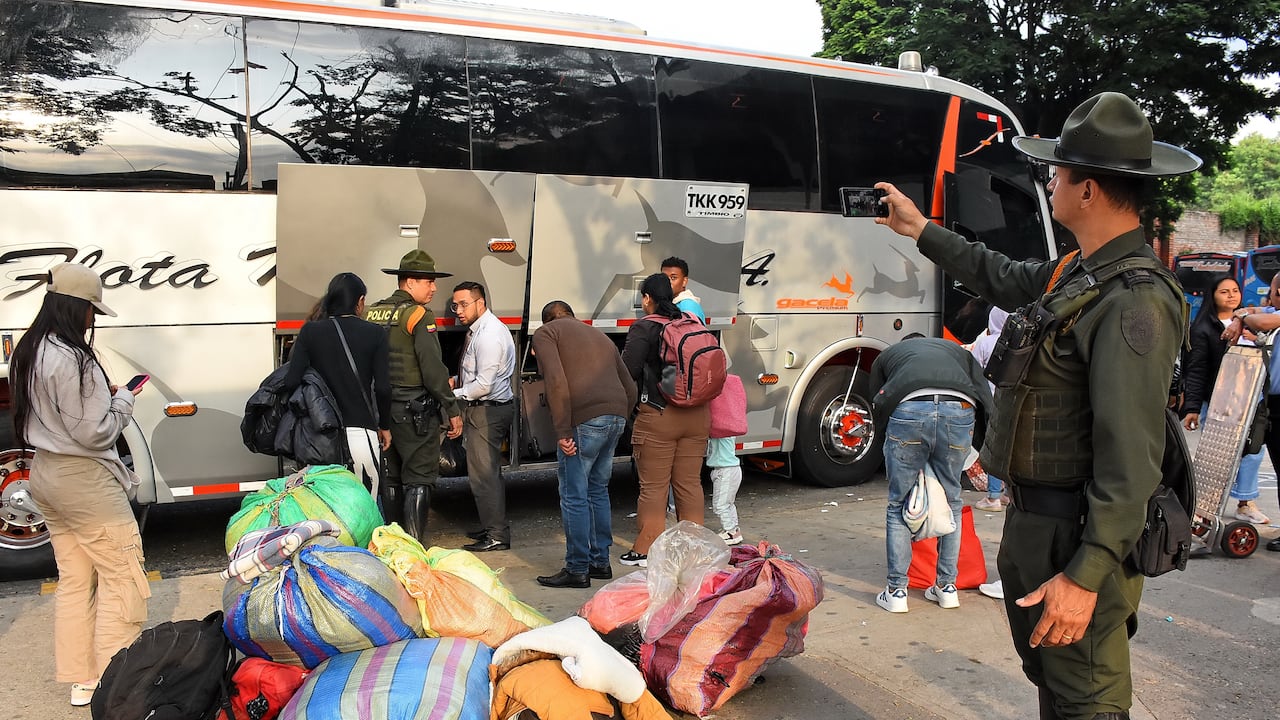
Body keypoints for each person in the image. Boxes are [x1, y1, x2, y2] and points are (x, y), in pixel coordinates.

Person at [877, 92, 1199, 720]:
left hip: (1078, 535)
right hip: (1040, 525)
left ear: (1089, 191)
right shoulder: (1079, 273)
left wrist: (1088, 573)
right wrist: (921, 230)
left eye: (1059, 171)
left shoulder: (1133, 299)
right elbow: (1000, 273)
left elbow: (1132, 456)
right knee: (1056, 684)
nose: (1048, 180)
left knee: (1088, 698)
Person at [9, 263, 150, 706]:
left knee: (75, 579)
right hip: (84, 479)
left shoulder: (29, 349)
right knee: (122, 576)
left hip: (46, 473)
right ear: (75, 306)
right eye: (91, 308)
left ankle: (82, 679)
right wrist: (123, 398)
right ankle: (115, 679)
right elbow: (96, 433)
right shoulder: (74, 357)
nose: (93, 318)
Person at [868, 336, 993, 613]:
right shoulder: (955, 351)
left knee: (898, 504)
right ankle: (947, 588)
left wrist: (886, 444)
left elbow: (877, 397)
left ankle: (897, 591)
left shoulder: (889, 354)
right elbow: (983, 390)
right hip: (960, 409)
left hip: (909, 408)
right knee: (953, 502)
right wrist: (982, 443)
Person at [530, 301, 637, 587]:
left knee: (574, 495)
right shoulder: (599, 335)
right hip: (614, 418)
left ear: (547, 321)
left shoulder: (547, 333)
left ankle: (577, 568)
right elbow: (631, 387)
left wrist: (563, 430)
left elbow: (555, 381)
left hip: (583, 422)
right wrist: (619, 418)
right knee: (597, 491)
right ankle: (600, 562)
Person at [364, 249, 463, 546]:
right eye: (428, 282)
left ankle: (392, 544)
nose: (433, 288)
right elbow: (433, 368)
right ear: (408, 282)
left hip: (381, 409)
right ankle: (414, 548)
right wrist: (452, 408)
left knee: (391, 477)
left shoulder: (372, 311)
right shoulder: (419, 315)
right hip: (415, 412)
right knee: (419, 477)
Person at [618, 273, 711, 567]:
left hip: (660, 415)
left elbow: (627, 371)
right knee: (689, 484)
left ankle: (647, 550)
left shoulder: (644, 327)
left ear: (647, 299)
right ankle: (693, 549)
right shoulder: (690, 322)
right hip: (697, 415)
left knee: (654, 487)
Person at [284, 273, 392, 497]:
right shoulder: (375, 333)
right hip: (362, 434)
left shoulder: (310, 332)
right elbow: (383, 387)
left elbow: (291, 381)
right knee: (362, 510)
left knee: (325, 509)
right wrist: (385, 426)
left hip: (320, 437)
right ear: (360, 301)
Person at [1180, 276, 1270, 525]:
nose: (1231, 295)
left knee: (1253, 453)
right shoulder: (1202, 329)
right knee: (1218, 457)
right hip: (1219, 401)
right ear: (1213, 296)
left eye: (1235, 290)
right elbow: (1196, 370)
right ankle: (1204, 509)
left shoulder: (1253, 323)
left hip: (1252, 398)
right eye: (1224, 292)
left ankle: (1245, 503)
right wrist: (1193, 408)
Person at [450, 281, 517, 552]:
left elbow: (483, 385)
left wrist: (453, 395)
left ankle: (497, 535)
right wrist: (455, 381)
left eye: (464, 304)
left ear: (481, 302)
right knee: (486, 473)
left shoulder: (489, 335)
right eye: (456, 305)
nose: (458, 310)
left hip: (488, 409)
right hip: (484, 408)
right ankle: (492, 526)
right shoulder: (479, 331)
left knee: (484, 475)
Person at [1224, 269, 1280, 551]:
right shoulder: (1272, 309)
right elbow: (1249, 309)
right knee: (1263, 457)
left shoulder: (1275, 315)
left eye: (1272, 292)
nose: (1269, 296)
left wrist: (1241, 318)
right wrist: (1238, 317)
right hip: (1270, 403)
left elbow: (1259, 318)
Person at [968, 306, 1011, 513]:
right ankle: (1008, 494)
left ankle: (993, 496)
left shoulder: (985, 342)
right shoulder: (1019, 340)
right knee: (1012, 448)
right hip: (1016, 401)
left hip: (992, 402)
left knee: (994, 448)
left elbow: (973, 370)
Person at [661, 256, 705, 322]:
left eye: (673, 278)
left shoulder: (688, 305)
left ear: (684, 281)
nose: (667, 282)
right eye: (664, 277)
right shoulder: (669, 302)